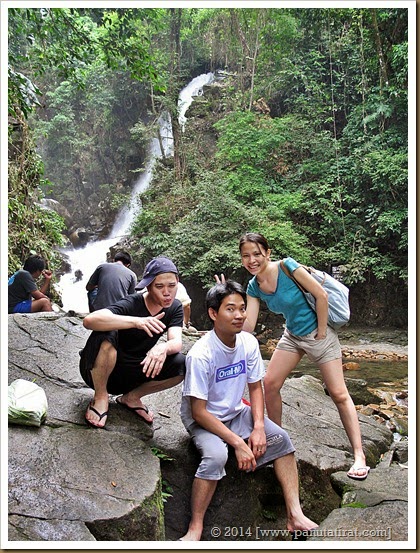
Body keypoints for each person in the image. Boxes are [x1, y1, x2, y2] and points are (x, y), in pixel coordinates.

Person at [179, 280, 318, 541]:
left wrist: (258, 428)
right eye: (230, 309)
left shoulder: (248, 343)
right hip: (205, 420)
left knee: (281, 439)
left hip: (235, 412)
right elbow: (198, 411)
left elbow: (255, 388)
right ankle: (195, 527)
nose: (240, 315)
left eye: (242, 308)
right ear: (213, 313)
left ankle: (295, 515)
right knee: (217, 456)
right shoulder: (201, 354)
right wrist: (238, 443)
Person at [233, 232, 368, 481]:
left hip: (319, 335)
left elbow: (321, 295)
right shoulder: (253, 286)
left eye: (256, 254)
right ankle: (277, 441)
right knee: (270, 384)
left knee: (339, 393)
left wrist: (322, 331)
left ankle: (359, 455)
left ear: (267, 253)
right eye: (246, 256)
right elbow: (249, 325)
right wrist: (226, 323)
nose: (252, 260)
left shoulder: (287, 267)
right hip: (292, 336)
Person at [80, 256, 186, 428]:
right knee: (106, 332)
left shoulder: (175, 307)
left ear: (177, 283)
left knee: (181, 364)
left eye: (172, 286)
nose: (167, 292)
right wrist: (137, 322)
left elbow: (176, 342)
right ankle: (100, 397)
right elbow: (90, 320)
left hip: (132, 373)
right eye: (159, 286)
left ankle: (132, 398)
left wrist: (163, 348)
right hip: (101, 370)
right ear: (148, 286)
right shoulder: (132, 302)